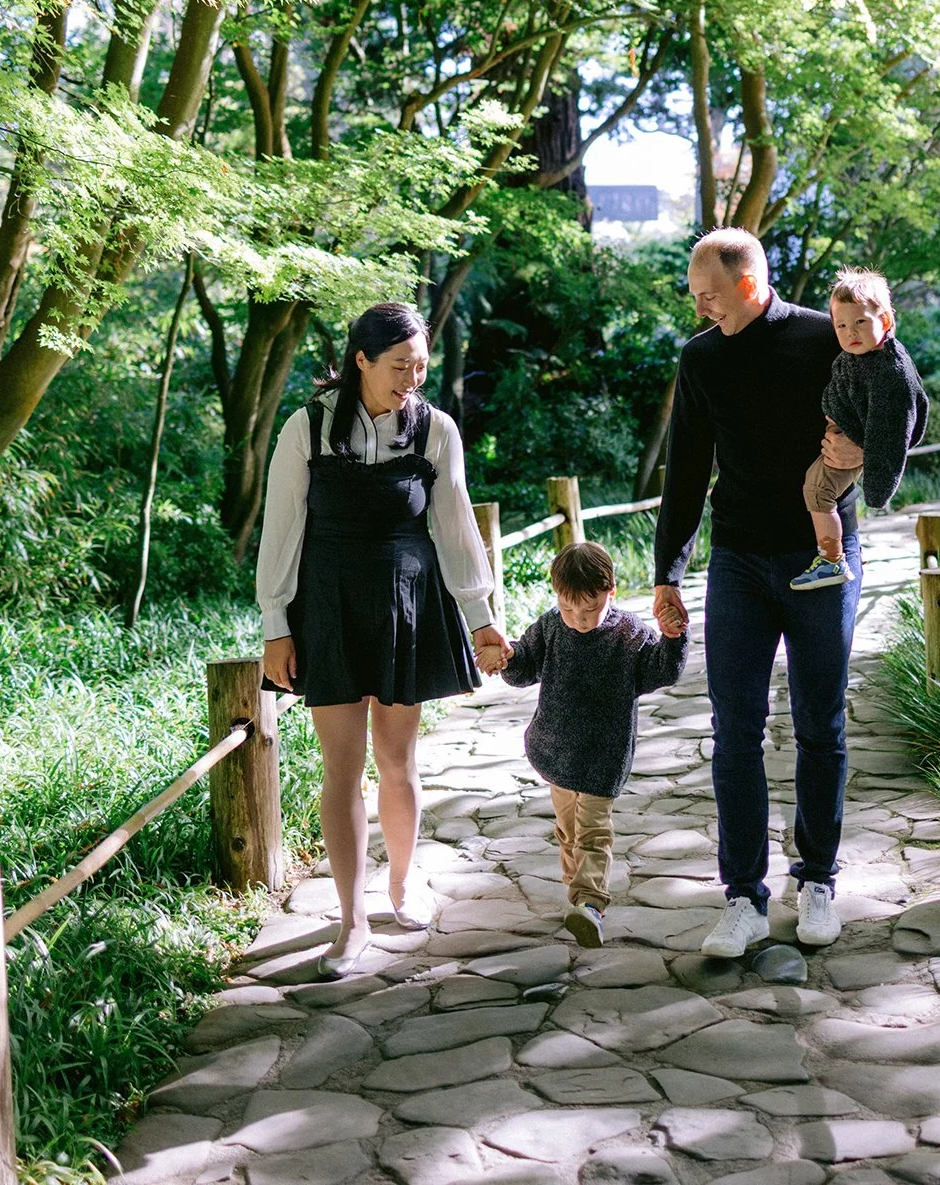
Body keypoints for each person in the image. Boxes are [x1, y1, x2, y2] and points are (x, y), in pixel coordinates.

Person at [258, 302, 511, 976]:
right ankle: (349, 919)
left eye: (421, 365)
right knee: (340, 767)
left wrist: (480, 616)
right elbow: (281, 531)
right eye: (400, 365)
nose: (413, 378)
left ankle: (401, 885)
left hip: (408, 604)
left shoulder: (435, 429)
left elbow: (456, 527)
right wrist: (275, 626)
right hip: (329, 604)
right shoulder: (306, 427)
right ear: (360, 362)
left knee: (397, 762)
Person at [652, 227, 864, 956]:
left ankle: (817, 881)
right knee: (734, 730)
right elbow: (684, 470)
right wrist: (666, 574)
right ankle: (742, 895)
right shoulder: (701, 356)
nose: (699, 304)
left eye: (707, 292)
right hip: (738, 560)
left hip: (821, 560)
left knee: (819, 724)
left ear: (747, 280)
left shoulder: (823, 337)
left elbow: (899, 401)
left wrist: (863, 455)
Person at [477, 540, 687, 949]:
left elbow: (661, 670)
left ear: (612, 592)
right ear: (557, 597)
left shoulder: (628, 635)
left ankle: (590, 903)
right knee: (568, 832)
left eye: (589, 609)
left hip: (602, 756)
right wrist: (505, 658)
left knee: (592, 833)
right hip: (556, 749)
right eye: (570, 608)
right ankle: (578, 894)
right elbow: (523, 669)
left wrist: (672, 638)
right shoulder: (552, 626)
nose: (579, 618)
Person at [793, 267, 928, 592]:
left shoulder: (890, 374)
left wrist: (872, 464)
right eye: (841, 325)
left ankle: (831, 560)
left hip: (852, 444)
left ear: (886, 320)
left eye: (860, 322)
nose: (850, 332)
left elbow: (892, 429)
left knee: (817, 491)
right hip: (842, 431)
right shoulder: (859, 355)